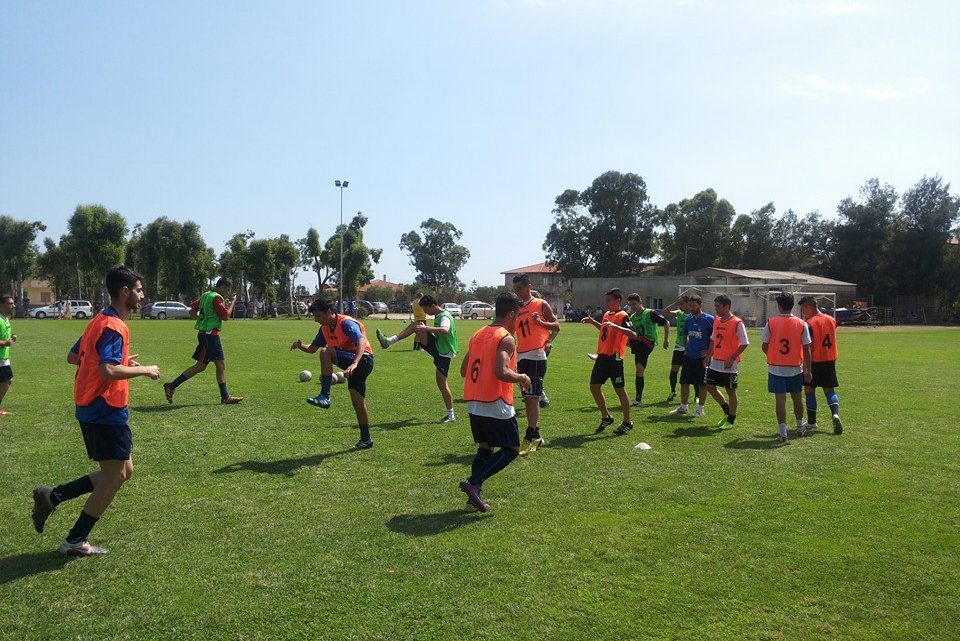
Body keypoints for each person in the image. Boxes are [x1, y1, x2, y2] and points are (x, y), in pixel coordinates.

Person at [31, 265, 161, 556]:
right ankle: (75, 540)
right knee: (114, 478)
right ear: (124, 292)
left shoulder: (99, 320)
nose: (142, 295)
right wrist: (143, 370)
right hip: (104, 410)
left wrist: (123, 359)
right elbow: (107, 370)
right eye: (139, 290)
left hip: (93, 407)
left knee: (124, 471)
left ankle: (53, 496)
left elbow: (74, 356)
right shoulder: (114, 326)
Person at [458, 293, 531, 513]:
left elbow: (463, 370)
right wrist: (522, 377)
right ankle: (474, 481)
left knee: (485, 447)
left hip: (474, 401)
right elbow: (501, 372)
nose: (517, 321)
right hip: (495, 400)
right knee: (511, 448)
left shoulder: (478, 334)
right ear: (511, 314)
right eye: (517, 316)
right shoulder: (505, 337)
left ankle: (474, 495)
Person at [299, 299, 376, 449]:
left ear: (329, 312)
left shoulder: (346, 323)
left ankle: (325, 396)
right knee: (358, 403)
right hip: (352, 365)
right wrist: (300, 345)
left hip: (363, 360)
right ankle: (366, 439)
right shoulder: (325, 327)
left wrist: (354, 363)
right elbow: (312, 349)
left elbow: (360, 341)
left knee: (326, 352)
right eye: (314, 316)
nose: (316, 320)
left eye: (318, 316)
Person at [376, 294, 458, 423]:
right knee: (416, 325)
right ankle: (388, 341)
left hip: (443, 353)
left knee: (442, 384)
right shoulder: (439, 315)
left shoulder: (444, 317)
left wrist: (426, 328)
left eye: (426, 309)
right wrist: (424, 328)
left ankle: (451, 415)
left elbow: (445, 330)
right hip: (438, 347)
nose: (425, 312)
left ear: (433, 306)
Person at [163, 278, 243, 405]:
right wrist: (233, 302)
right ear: (223, 287)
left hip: (208, 334)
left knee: (220, 366)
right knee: (201, 366)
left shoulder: (206, 295)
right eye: (227, 289)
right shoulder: (217, 298)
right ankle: (172, 386)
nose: (226, 293)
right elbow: (225, 316)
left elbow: (192, 311)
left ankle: (225, 397)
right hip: (210, 335)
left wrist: (201, 319)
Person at [512, 276, 560, 455]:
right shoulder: (516, 309)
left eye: (519, 288)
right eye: (515, 289)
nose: (517, 291)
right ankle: (535, 434)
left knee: (533, 397)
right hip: (521, 355)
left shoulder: (540, 304)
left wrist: (542, 325)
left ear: (528, 287)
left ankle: (531, 434)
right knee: (528, 397)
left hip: (536, 355)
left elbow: (556, 326)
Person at [583, 288, 637, 435]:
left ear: (618, 301)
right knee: (594, 387)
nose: (606, 303)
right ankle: (606, 416)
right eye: (606, 300)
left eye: (609, 300)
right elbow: (605, 330)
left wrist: (616, 326)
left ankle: (627, 421)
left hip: (615, 359)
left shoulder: (623, 316)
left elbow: (633, 333)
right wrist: (593, 322)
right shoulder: (607, 314)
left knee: (620, 390)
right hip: (602, 357)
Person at [761, 293, 812, 444]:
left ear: (779, 306)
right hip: (795, 367)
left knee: (780, 400)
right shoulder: (801, 323)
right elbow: (807, 348)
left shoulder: (771, 322)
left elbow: (764, 345)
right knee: (797, 397)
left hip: (776, 368)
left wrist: (774, 355)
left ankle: (783, 433)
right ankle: (799, 427)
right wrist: (808, 371)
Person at [702, 295, 749, 430]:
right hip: (715, 361)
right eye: (715, 306)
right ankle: (726, 410)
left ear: (726, 306)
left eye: (718, 306)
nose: (715, 309)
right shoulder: (717, 320)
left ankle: (731, 419)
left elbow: (745, 343)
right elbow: (713, 340)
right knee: (710, 387)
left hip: (729, 364)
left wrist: (732, 357)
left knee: (730, 391)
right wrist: (707, 356)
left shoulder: (737, 322)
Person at [798, 296, 844, 435]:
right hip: (829, 359)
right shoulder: (831, 319)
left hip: (814, 360)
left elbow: (808, 345)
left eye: (803, 309)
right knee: (829, 390)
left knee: (809, 390)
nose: (803, 313)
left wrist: (806, 367)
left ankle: (812, 422)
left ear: (808, 306)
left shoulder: (810, 323)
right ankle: (835, 414)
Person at [669, 295, 713, 417]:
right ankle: (683, 406)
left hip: (702, 358)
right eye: (690, 305)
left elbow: (715, 338)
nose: (691, 308)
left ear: (700, 305)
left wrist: (709, 353)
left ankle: (700, 409)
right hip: (689, 356)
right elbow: (685, 333)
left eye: (694, 305)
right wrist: (686, 346)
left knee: (702, 384)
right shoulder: (689, 319)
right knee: (684, 382)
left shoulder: (709, 319)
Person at [625, 293, 669, 408]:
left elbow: (666, 323)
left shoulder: (650, 313)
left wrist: (666, 340)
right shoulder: (633, 317)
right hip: (639, 344)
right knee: (639, 371)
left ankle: (605, 355)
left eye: (634, 304)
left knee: (619, 339)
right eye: (630, 305)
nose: (632, 306)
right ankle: (638, 399)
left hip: (647, 343)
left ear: (640, 303)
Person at [663, 296, 690, 402]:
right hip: (679, 347)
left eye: (682, 303)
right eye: (679, 304)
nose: (680, 306)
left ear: (688, 304)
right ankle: (673, 390)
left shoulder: (693, 315)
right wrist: (675, 302)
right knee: (674, 370)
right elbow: (665, 312)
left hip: (690, 347)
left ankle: (697, 395)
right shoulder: (679, 313)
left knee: (692, 372)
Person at [0, 293, 17, 415]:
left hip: (4, 356)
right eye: (10, 303)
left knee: (6, 381)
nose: (13, 305)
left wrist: (11, 339)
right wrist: (4, 342)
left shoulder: (6, 318)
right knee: (7, 381)